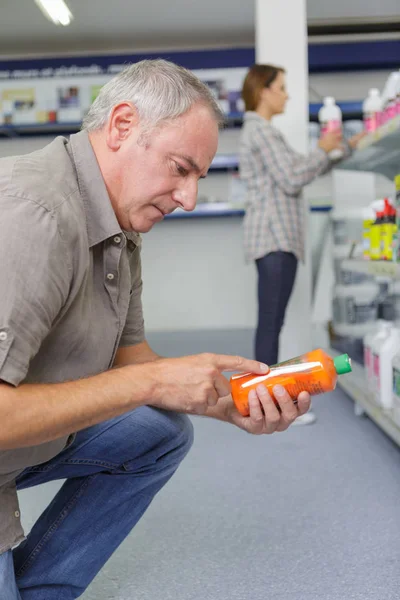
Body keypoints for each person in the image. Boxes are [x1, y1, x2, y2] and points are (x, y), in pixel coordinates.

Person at [0, 59, 313, 599]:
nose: (188, 198)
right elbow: (142, 382)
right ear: (122, 126)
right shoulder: (34, 215)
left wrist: (224, 401)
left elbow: (131, 359)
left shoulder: (118, 221)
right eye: (180, 168)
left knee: (158, 433)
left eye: (199, 177)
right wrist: (154, 384)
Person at [239, 64, 363, 425]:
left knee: (270, 322)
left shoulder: (264, 133)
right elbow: (293, 177)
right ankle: (268, 404)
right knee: (270, 324)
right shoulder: (259, 132)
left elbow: (300, 169)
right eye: (281, 87)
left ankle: (264, 400)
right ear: (263, 91)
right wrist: (324, 149)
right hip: (274, 238)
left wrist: (340, 150)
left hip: (278, 239)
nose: (287, 94)